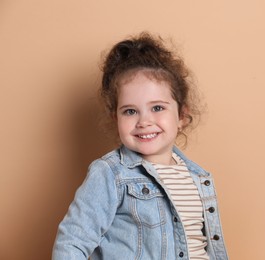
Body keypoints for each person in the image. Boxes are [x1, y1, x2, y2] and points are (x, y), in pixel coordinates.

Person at [52, 32, 229, 260]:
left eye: (157, 108)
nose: (144, 121)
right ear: (116, 119)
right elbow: (72, 243)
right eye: (130, 111)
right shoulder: (110, 174)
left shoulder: (197, 178)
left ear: (182, 115)